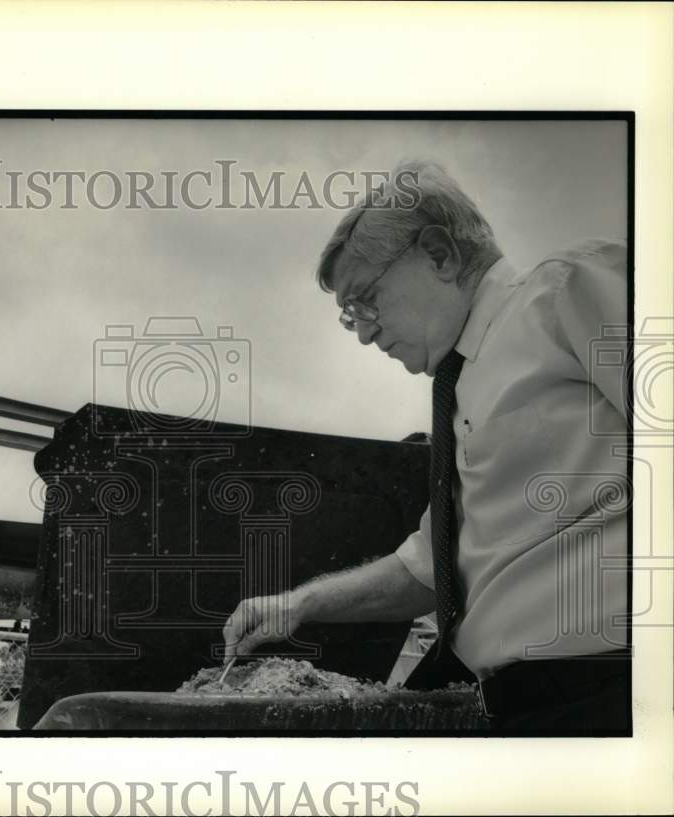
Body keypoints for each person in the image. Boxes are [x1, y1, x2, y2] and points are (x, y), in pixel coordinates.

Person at [222, 160, 630, 734]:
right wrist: (301, 604)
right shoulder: (458, 393)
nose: (364, 331)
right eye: (349, 316)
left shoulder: (571, 288)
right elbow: (428, 570)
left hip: (610, 694)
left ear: (439, 254)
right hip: (513, 709)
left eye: (366, 300)